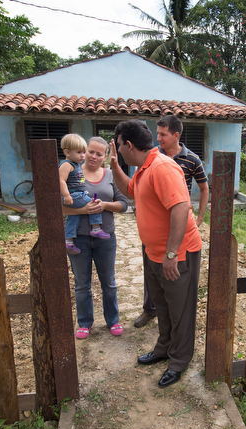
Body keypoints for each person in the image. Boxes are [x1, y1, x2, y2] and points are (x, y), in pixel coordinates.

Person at [109, 120, 202, 388]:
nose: (119, 151)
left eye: (118, 147)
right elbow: (130, 189)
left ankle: (179, 361)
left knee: (180, 310)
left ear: (129, 145)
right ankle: (164, 348)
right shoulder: (144, 168)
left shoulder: (162, 167)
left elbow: (181, 208)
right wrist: (115, 167)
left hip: (176, 254)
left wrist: (172, 254)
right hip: (155, 253)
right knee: (162, 306)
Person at [133, 115, 209, 329]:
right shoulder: (152, 156)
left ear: (176, 135)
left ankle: (175, 326)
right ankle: (150, 310)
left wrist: (200, 216)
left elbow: (204, 188)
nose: (158, 138)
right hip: (154, 226)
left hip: (176, 229)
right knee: (152, 276)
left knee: (174, 278)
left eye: (163, 134)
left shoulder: (192, 159)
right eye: (157, 133)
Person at [63, 136, 128, 339]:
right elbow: (60, 205)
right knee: (82, 284)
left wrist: (104, 206)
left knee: (108, 282)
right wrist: (85, 209)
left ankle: (113, 320)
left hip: (105, 237)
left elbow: (124, 204)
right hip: (78, 238)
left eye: (99, 154)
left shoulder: (110, 175)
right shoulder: (72, 173)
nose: (93, 156)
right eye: (90, 151)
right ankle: (85, 323)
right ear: (83, 150)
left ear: (104, 156)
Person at [59, 133, 110, 255]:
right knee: (94, 203)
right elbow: (60, 180)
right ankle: (96, 228)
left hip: (76, 194)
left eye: (83, 152)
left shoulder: (76, 165)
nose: (82, 156)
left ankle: (69, 241)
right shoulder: (67, 165)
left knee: (73, 218)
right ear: (67, 152)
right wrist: (66, 195)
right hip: (74, 195)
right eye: (79, 153)